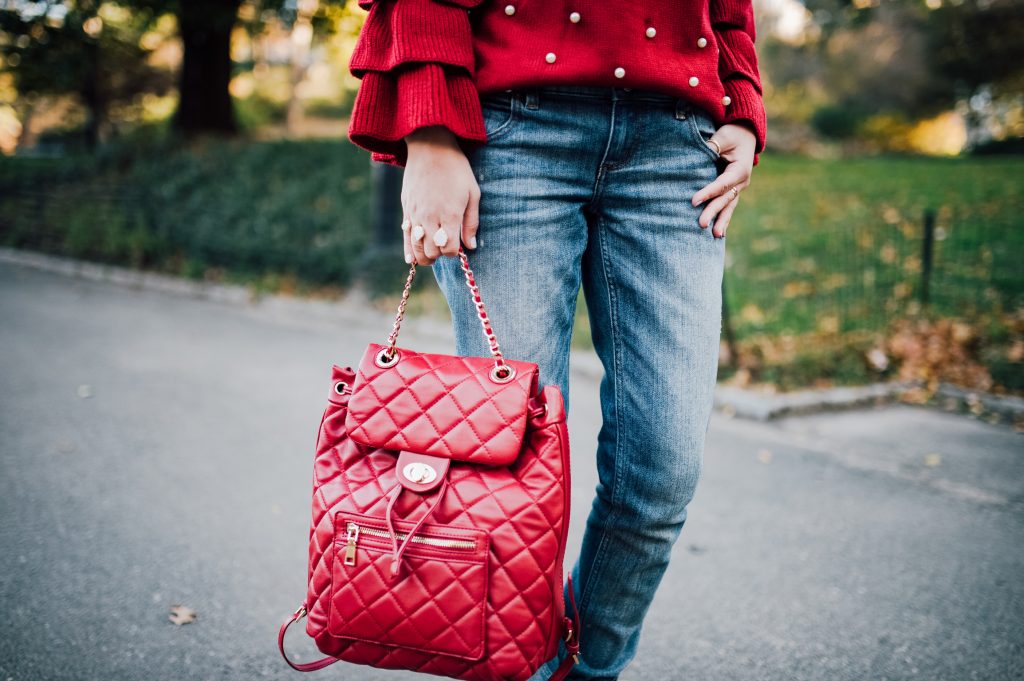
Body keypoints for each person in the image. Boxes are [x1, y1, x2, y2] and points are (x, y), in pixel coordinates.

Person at [345, 2, 767, 679]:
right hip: (513, 131)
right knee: (507, 472)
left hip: (677, 146)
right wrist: (428, 133)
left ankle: (588, 666)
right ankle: (522, 667)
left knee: (662, 470)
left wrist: (743, 106)